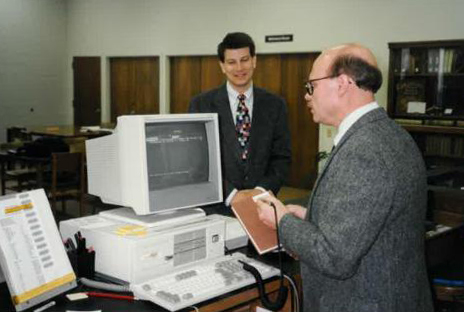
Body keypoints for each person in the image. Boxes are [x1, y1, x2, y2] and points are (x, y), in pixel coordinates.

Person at [256, 44, 433, 312]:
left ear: (342, 84)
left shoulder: (365, 151)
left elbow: (334, 257)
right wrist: (312, 217)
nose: (307, 95)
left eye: (311, 86)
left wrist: (282, 222)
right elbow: (366, 220)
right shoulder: (387, 134)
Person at [189, 32, 291, 216]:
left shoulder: (275, 105)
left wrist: (260, 192)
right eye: (231, 62)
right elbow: (198, 161)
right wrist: (232, 195)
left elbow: (281, 158)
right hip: (217, 208)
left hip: (262, 207)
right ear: (222, 66)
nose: (239, 68)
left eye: (244, 60)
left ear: (254, 61)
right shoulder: (201, 105)